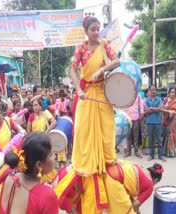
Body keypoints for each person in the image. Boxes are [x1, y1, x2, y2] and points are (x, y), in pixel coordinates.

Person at [54, 16, 133, 214]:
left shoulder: (105, 44)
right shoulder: (80, 48)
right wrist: (78, 90)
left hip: (102, 92)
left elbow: (116, 61)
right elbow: (73, 71)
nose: (96, 32)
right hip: (87, 94)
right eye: (93, 29)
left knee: (107, 127)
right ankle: (86, 162)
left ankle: (107, 160)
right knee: (85, 129)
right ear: (86, 31)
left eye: (98, 29)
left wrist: (102, 70)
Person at [0, 132, 58, 213]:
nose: (55, 156)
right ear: (39, 164)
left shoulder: (10, 178)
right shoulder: (46, 196)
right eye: (51, 154)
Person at [144, 85, 166, 162]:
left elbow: (160, 109)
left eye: (154, 90)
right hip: (149, 122)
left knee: (159, 140)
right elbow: (146, 111)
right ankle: (151, 155)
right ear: (149, 91)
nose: (153, 91)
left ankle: (161, 156)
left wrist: (152, 108)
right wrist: (156, 109)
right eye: (151, 90)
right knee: (151, 140)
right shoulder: (147, 100)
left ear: (156, 91)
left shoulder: (159, 99)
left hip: (157, 122)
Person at [162, 88, 176, 157]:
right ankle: (166, 152)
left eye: (174, 92)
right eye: (171, 92)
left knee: (173, 135)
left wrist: (174, 113)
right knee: (167, 135)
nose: (172, 94)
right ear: (169, 93)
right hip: (167, 120)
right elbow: (162, 109)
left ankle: (172, 152)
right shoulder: (165, 100)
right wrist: (167, 111)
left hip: (174, 121)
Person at [123, 93, 144, 158]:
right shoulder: (126, 93)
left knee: (136, 135)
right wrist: (123, 114)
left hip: (136, 117)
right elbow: (123, 104)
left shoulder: (137, 94)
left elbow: (141, 103)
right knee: (128, 136)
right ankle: (128, 152)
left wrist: (141, 113)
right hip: (127, 117)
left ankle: (136, 151)